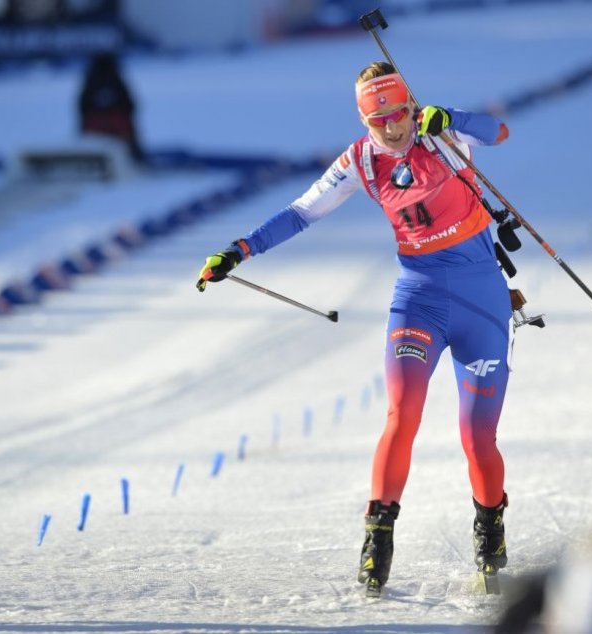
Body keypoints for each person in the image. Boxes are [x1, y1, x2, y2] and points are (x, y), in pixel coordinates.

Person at [196, 61, 513, 596]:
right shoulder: (360, 161)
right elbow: (301, 213)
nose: (392, 128)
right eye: (378, 119)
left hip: (482, 297)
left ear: (413, 105)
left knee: (477, 436)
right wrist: (240, 249)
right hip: (420, 298)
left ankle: (490, 536)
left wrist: (449, 115)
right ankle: (378, 537)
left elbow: (498, 131)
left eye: (399, 113)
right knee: (401, 411)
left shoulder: (444, 133)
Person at [77, 53, 144, 163]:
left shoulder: (91, 83)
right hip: (115, 129)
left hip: (98, 128)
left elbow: (82, 108)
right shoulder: (117, 81)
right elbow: (131, 106)